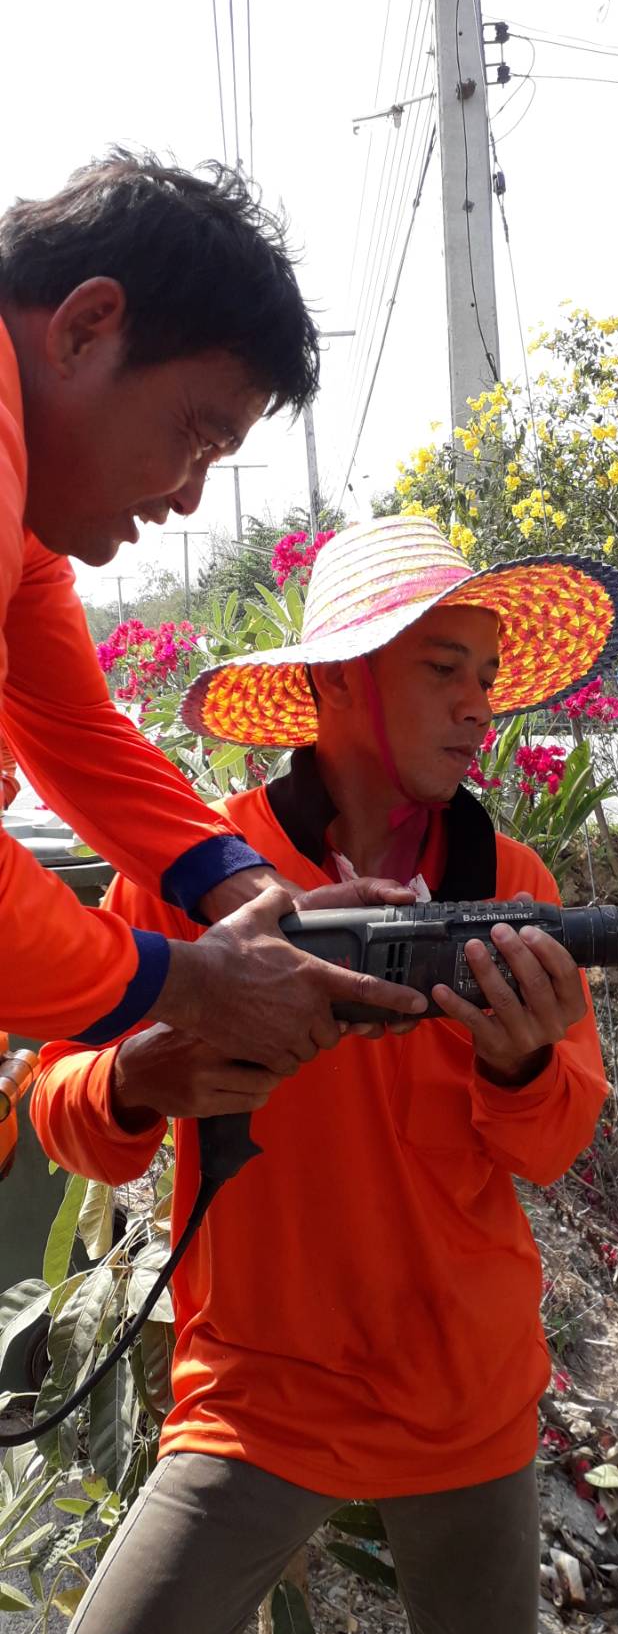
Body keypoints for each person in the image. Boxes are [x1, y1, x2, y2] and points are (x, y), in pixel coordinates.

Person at [1, 514, 618, 1634]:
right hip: (260, 1399)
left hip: (465, 1397)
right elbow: (59, 1107)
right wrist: (139, 1076)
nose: (478, 707)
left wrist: (519, 1063)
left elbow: (558, 1139)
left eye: (485, 677)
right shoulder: (194, 875)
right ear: (338, 680)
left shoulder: (511, 883)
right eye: (441, 669)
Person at [0, 151, 424, 1066]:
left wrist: (262, 898)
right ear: (84, 329)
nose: (190, 498)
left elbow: (77, 733)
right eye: (196, 436)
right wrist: (193, 984)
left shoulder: (26, 532)